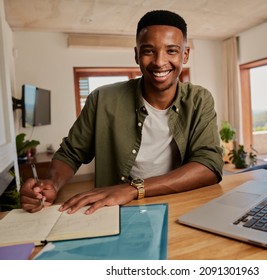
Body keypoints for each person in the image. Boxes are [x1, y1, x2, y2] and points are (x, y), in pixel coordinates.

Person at [20, 10, 223, 215]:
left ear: (184, 54)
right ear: (136, 55)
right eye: (148, 51)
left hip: (179, 205)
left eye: (171, 51)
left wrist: (134, 189)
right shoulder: (102, 99)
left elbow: (209, 165)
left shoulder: (199, 99)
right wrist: (52, 184)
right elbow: (70, 153)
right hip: (117, 211)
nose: (160, 62)